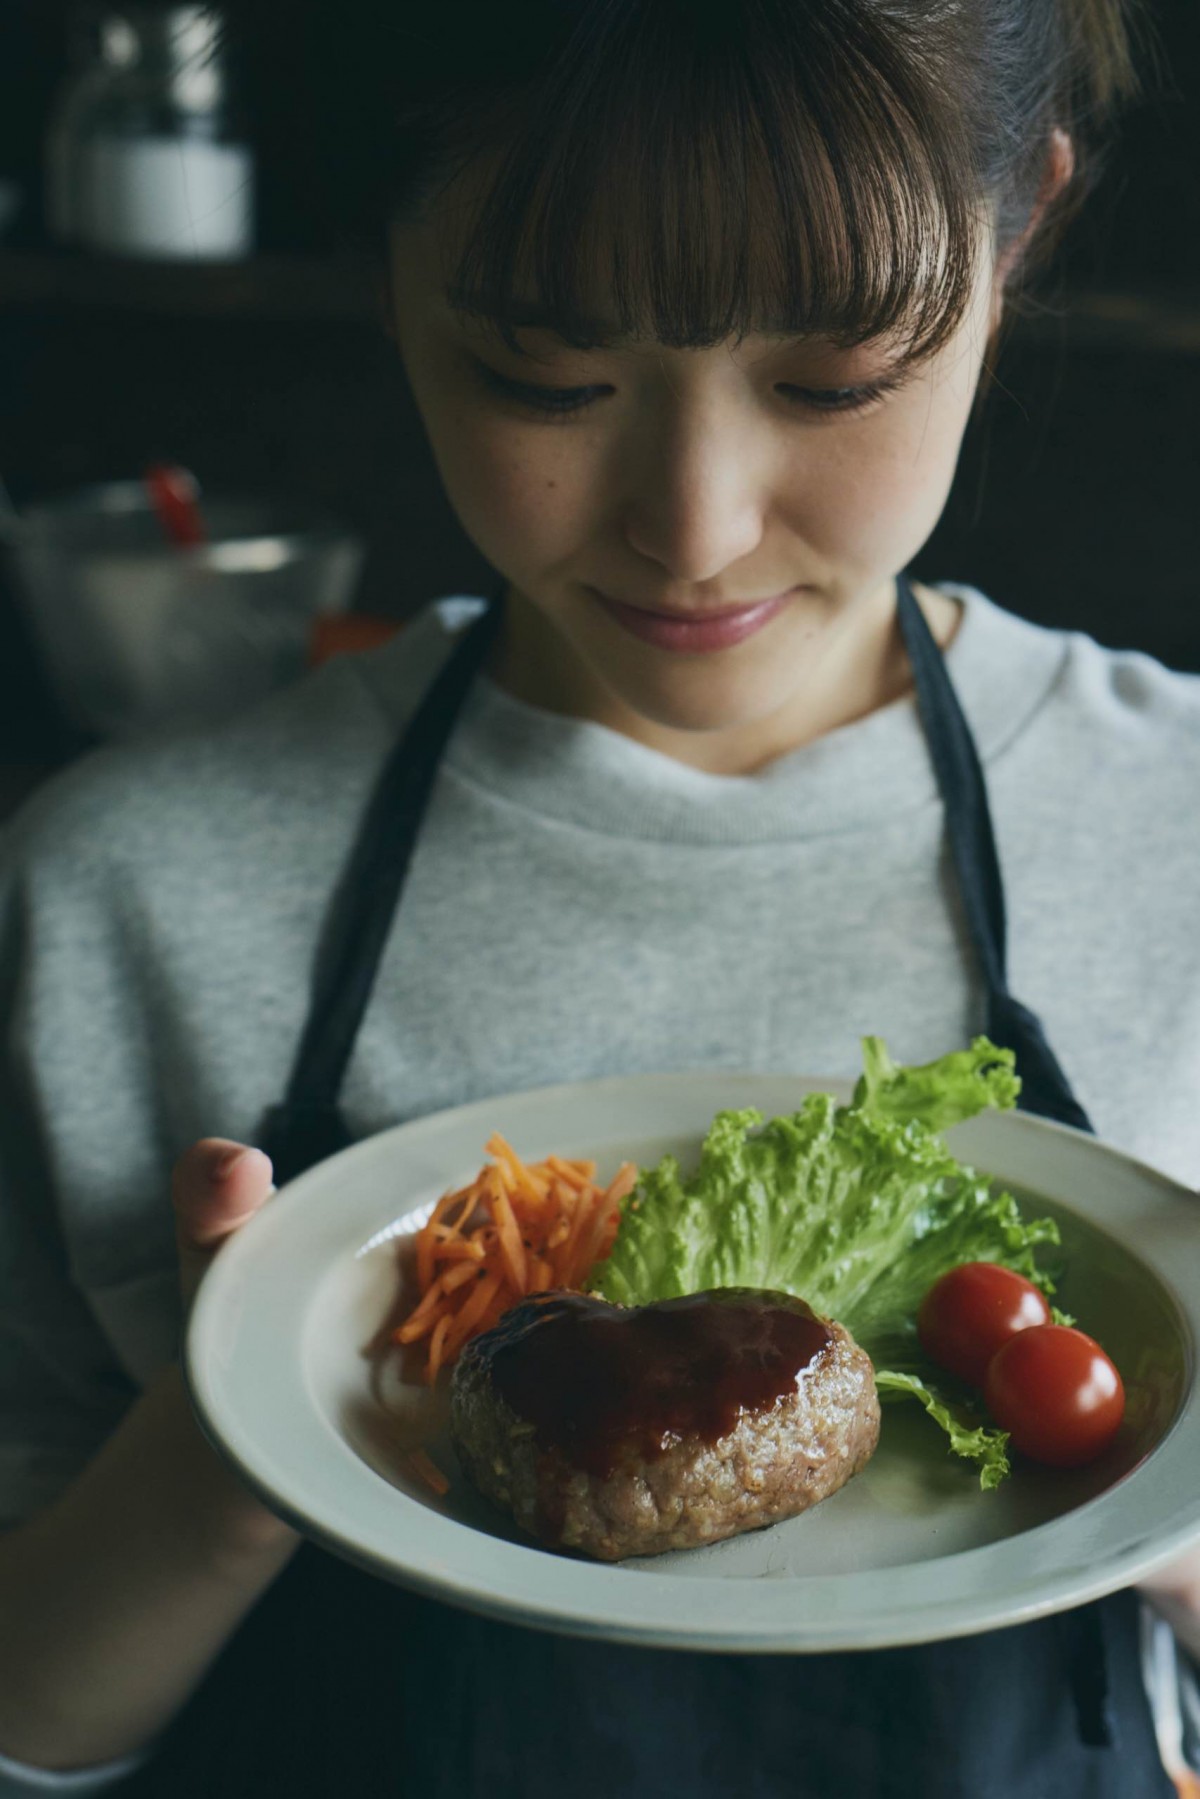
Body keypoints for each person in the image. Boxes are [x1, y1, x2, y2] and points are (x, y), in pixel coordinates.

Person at [1, 0, 1198, 1793]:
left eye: (832, 379)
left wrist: (1158, 1499)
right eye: (546, 377)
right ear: (387, 266)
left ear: (1017, 226)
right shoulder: (121, 892)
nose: (695, 527)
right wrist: (239, 1433)